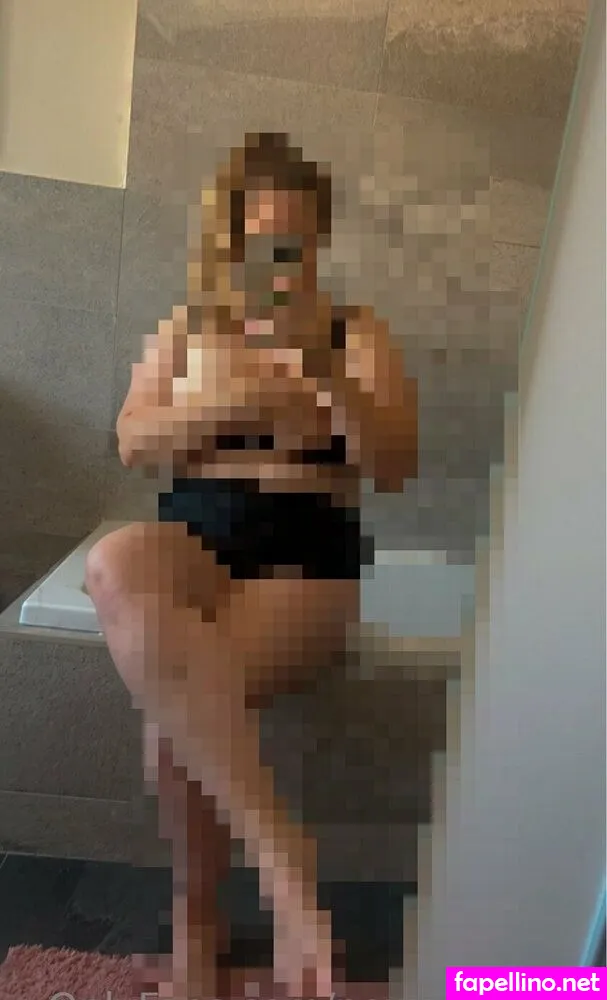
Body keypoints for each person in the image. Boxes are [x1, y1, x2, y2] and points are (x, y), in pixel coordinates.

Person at [85, 131, 418, 999]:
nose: (281, 260)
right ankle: (282, 863)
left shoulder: (353, 332)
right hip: (195, 534)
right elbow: (131, 441)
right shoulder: (190, 329)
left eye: (297, 241)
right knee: (113, 563)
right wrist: (233, 398)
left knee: (179, 713)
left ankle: (198, 923)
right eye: (263, 239)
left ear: (318, 241)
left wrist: (322, 380)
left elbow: (392, 463)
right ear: (230, 239)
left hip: (302, 550)